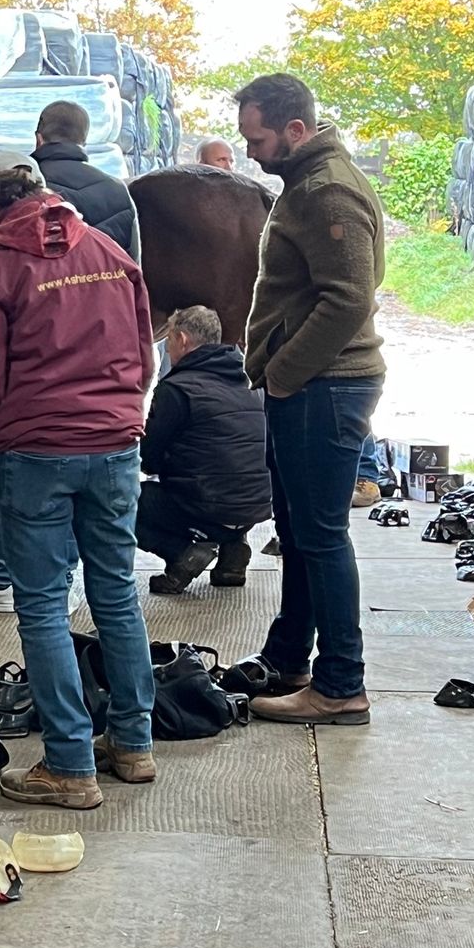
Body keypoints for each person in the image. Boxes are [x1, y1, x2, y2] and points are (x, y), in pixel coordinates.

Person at [0, 154, 157, 810]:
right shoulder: (108, 250)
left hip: (37, 450)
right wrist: (121, 413)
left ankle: (70, 764)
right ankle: (133, 743)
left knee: (41, 605)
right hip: (116, 445)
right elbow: (144, 354)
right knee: (116, 593)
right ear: (45, 194)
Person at [227, 73, 385, 725]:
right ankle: (290, 655)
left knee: (320, 537)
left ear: (296, 131)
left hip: (324, 386)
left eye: (257, 139)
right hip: (309, 384)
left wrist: (287, 371)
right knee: (297, 532)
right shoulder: (305, 183)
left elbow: (349, 297)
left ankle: (341, 683)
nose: (250, 152)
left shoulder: (326, 191)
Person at [137, 304, 272, 594]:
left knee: (123, 501)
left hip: (208, 505)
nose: (168, 350)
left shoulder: (176, 389)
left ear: (182, 340)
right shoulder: (251, 381)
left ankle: (181, 552)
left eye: (169, 341)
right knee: (231, 472)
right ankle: (233, 550)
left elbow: (148, 459)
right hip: (256, 505)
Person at [30, 100, 140, 259]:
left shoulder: (21, 187)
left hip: (41, 284)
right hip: (102, 283)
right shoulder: (118, 191)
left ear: (38, 139)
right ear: (83, 142)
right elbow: (132, 264)